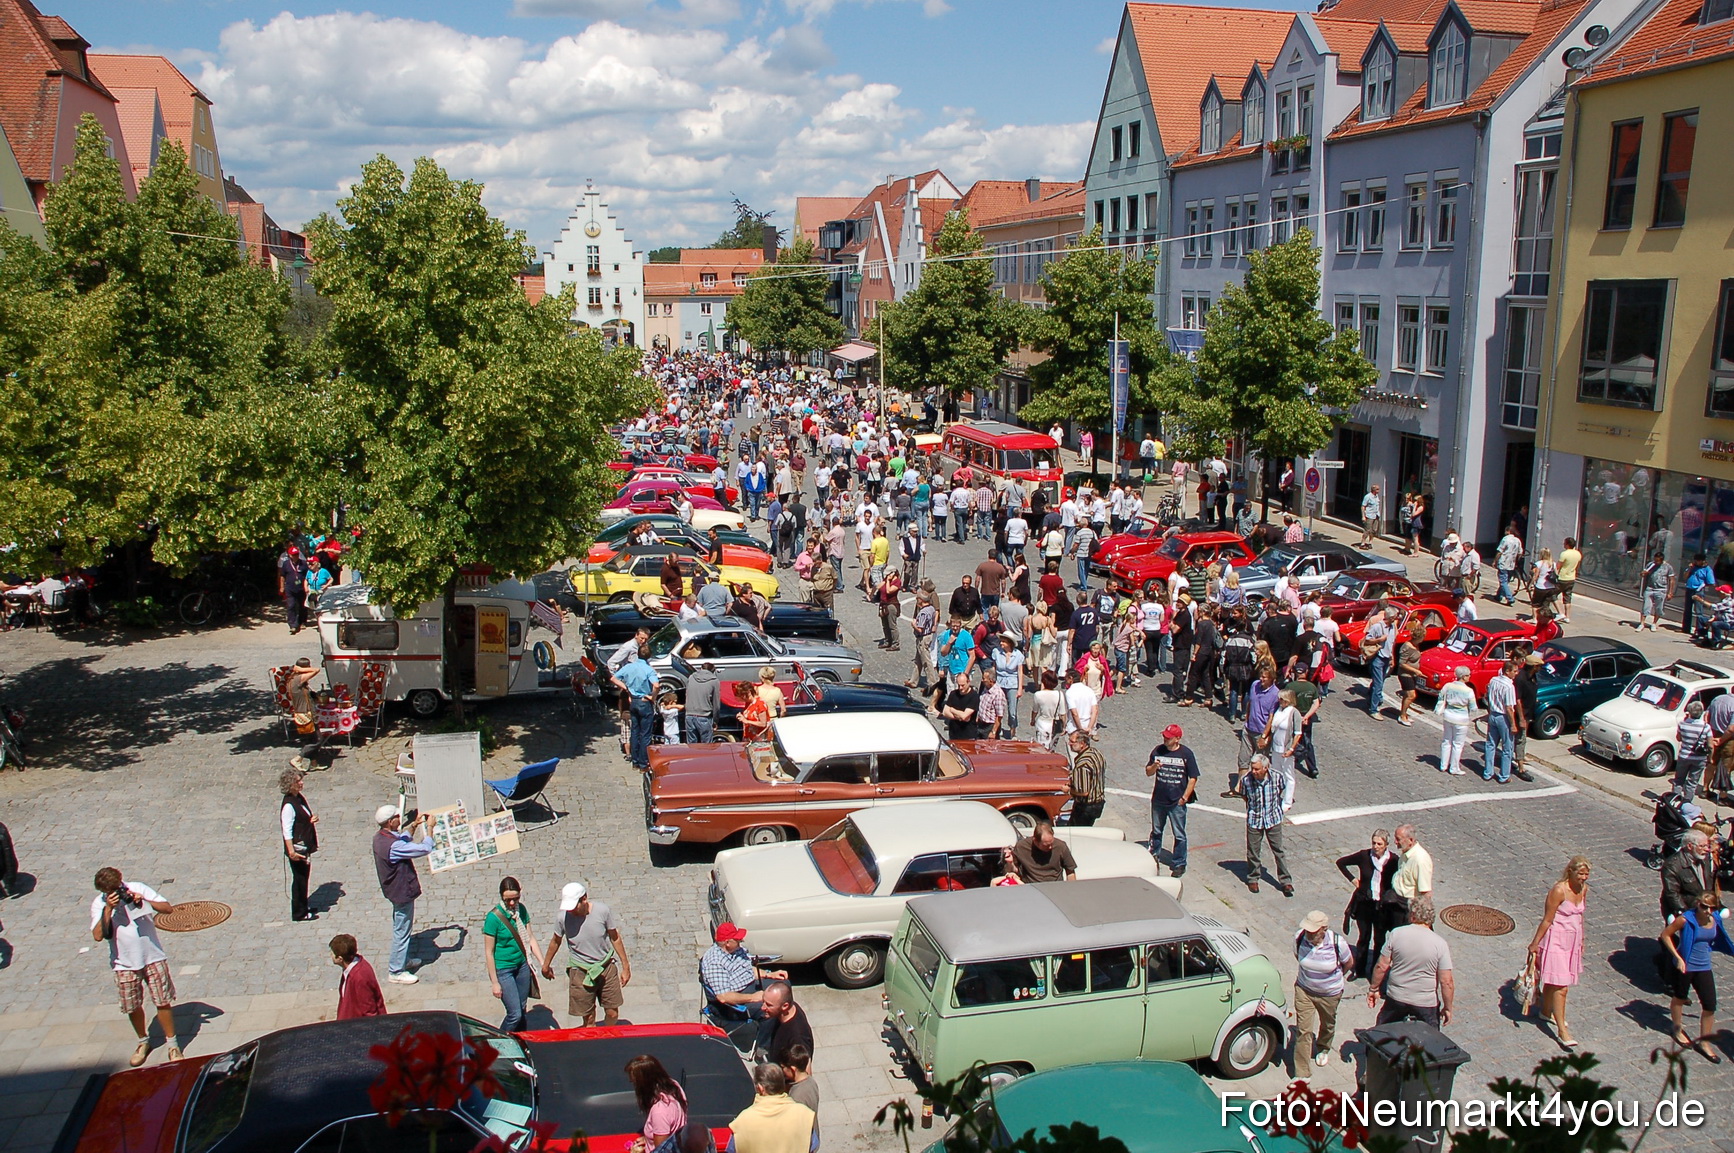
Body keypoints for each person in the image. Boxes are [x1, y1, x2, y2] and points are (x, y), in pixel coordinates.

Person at [91, 866, 181, 1067]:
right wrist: (108, 909)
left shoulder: (137, 888)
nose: (116, 892)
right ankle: (143, 1041)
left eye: (117, 888)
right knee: (132, 1005)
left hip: (152, 956)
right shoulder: (99, 904)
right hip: (124, 963)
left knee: (162, 1000)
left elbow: (167, 908)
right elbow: (98, 935)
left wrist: (144, 901)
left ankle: (172, 1044)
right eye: (110, 891)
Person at [543, 880, 632, 1027]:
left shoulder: (602, 911)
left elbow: (614, 937)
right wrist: (546, 965)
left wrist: (626, 966)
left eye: (574, 906)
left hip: (606, 967)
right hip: (580, 971)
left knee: (612, 1013)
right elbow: (555, 941)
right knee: (589, 1018)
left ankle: (607, 1036)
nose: (571, 911)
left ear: (584, 898)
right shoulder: (562, 918)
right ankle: (594, 1045)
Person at [1661, 889, 1734, 1061]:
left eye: (1711, 908)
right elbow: (1665, 935)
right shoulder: (1686, 919)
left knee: (1710, 1005)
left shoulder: (1714, 919)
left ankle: (1704, 1042)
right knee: (1679, 998)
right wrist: (1677, 958)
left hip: (1704, 966)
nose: (1707, 911)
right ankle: (1677, 1029)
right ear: (1697, 904)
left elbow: (1720, 937)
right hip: (1686, 966)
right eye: (1704, 907)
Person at [1527, 857, 1590, 1049]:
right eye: (1580, 874)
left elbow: (1580, 917)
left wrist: (1581, 940)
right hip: (1556, 939)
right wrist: (1535, 943)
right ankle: (1562, 1031)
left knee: (1555, 982)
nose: (1583, 878)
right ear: (1570, 871)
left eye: (1586, 874)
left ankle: (1546, 1011)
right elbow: (1547, 919)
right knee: (1562, 987)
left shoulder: (1583, 889)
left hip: (1571, 940)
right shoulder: (1558, 891)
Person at [1368, 896, 1455, 1027]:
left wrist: (1373, 988)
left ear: (1412, 915)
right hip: (1425, 1002)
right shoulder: (1440, 944)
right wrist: (1448, 1007)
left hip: (1396, 997)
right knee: (1430, 1041)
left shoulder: (1396, 934)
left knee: (1383, 1033)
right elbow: (1446, 982)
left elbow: (1381, 966)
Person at [373, 806, 434, 984]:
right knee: (402, 930)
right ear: (390, 822)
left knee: (402, 926)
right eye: (397, 817)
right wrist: (430, 829)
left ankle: (402, 960)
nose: (400, 818)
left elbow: (403, 839)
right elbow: (424, 849)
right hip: (401, 891)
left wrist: (414, 825)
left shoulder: (380, 838)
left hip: (393, 891)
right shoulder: (393, 846)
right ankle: (396, 970)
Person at [1293, 909, 1354, 1079]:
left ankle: (1323, 1047)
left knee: (1327, 1023)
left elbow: (1348, 963)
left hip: (1329, 994)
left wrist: (1334, 979)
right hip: (1304, 990)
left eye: (1312, 932)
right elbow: (1297, 956)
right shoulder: (1299, 938)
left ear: (1323, 930)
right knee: (1303, 1030)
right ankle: (1302, 1074)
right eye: (1307, 930)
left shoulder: (1337, 943)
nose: (1308, 934)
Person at [484, 876, 548, 1033]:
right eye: (507, 900)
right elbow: (489, 952)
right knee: (514, 1014)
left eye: (515, 899)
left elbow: (530, 938)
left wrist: (542, 963)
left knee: (522, 1009)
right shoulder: (493, 918)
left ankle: (521, 1039)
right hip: (504, 969)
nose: (512, 903)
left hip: (522, 966)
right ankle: (498, 1041)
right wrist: (494, 982)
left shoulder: (522, 911)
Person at [1337, 829, 1403, 979]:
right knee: (1363, 938)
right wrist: (1353, 880)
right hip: (1365, 905)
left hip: (1383, 907)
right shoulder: (1364, 856)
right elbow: (1341, 862)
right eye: (1374, 843)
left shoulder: (1393, 861)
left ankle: (1374, 971)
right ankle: (1359, 970)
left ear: (1386, 845)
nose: (1376, 846)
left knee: (1380, 939)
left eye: (1379, 843)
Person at [701, 922, 789, 1027]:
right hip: (735, 1002)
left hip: (750, 985)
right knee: (769, 1012)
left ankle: (786, 1026)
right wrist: (753, 997)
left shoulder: (736, 949)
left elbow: (747, 969)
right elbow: (724, 996)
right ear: (728, 942)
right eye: (737, 940)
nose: (740, 941)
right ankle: (764, 1043)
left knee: (783, 986)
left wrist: (768, 974)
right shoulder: (715, 962)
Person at [1146, 724, 1200, 877]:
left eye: (1168, 738)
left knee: (1179, 834)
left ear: (1177, 739)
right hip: (1159, 799)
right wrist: (1154, 766)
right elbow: (1148, 772)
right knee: (1156, 830)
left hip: (1176, 801)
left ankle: (1179, 863)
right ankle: (1154, 855)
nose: (1165, 739)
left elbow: (1193, 778)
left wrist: (1185, 797)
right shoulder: (1158, 751)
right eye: (1164, 736)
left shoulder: (1186, 754)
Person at [727, 1064, 819, 1153]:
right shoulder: (803, 1114)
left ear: (760, 1088)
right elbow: (812, 1145)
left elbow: (732, 1149)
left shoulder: (743, 1121)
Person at [1236, 754, 1293, 896]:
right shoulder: (1247, 780)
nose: (1254, 772)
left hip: (1273, 819)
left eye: (1257, 769)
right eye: (1252, 768)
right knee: (1253, 851)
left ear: (1266, 768)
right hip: (1255, 820)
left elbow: (1280, 791)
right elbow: (1245, 796)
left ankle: (1285, 881)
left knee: (1278, 851)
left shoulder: (1277, 777)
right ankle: (1253, 878)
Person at [627, 1054, 693, 1153]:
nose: (634, 1085)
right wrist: (650, 1139)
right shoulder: (674, 1087)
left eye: (635, 1082)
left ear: (644, 1082)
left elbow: (661, 1151)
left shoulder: (659, 1111)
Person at [280, 767, 320, 922]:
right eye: (298, 781)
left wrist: (310, 820)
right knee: (299, 879)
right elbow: (287, 830)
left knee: (304, 877)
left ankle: (304, 905)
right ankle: (299, 912)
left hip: (304, 844)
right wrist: (291, 851)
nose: (301, 783)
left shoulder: (298, 798)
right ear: (291, 785)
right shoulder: (289, 805)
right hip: (298, 848)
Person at [614, 648, 663, 771]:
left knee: (635, 731)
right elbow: (656, 685)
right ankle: (643, 763)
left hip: (633, 701)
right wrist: (653, 697)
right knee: (645, 734)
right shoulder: (648, 669)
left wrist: (627, 689)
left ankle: (635, 761)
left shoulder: (629, 667)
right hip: (644, 701)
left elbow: (614, 678)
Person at [1662, 829, 1716, 920]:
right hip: (1684, 910)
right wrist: (1687, 914)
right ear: (1690, 846)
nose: (1707, 849)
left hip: (1703, 908)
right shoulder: (1672, 865)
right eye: (1702, 846)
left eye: (1707, 845)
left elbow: (1709, 885)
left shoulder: (1704, 858)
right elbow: (1672, 893)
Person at [331, 933, 387, 1019]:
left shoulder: (359, 978)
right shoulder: (354, 969)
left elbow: (369, 1011)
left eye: (332, 953)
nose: (330, 955)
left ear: (340, 959)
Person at [760, 980, 814, 1066]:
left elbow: (804, 1070)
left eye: (769, 1005)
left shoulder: (797, 1037)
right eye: (763, 1002)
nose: (763, 1008)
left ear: (785, 1006)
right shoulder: (784, 1011)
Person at [1435, 666, 1476, 776]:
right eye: (1468, 675)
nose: (1469, 677)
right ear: (1463, 677)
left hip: (1448, 716)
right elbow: (1473, 707)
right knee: (1457, 744)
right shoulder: (1469, 691)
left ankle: (1443, 765)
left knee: (1446, 741)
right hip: (1461, 719)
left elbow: (1440, 696)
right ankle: (1454, 768)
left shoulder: (1448, 686)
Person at [1484, 658, 1519, 783]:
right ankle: (1504, 775)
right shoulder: (1509, 686)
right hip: (1503, 717)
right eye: (1514, 671)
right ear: (1507, 671)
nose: (1516, 673)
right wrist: (1513, 724)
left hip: (1493, 714)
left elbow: (1488, 696)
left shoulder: (1493, 680)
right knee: (1507, 747)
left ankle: (1488, 772)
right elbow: (1509, 708)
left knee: (1490, 744)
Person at [1011, 821, 1078, 882]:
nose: (1050, 847)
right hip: (1032, 888)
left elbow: (1070, 871)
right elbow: (1014, 870)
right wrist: (1010, 863)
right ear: (1035, 841)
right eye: (1046, 845)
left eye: (1051, 843)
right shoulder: (1021, 847)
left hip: (1055, 886)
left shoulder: (1060, 846)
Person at [1065, 730, 1106, 826]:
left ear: (1082, 744)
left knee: (1076, 833)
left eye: (1072, 742)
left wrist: (1069, 790)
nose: (1069, 744)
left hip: (1086, 807)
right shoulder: (1096, 753)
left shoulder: (1083, 764)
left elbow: (1084, 792)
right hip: (1098, 802)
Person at [1392, 824, 1434, 915]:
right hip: (1398, 903)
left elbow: (1425, 894)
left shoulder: (1420, 860)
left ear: (1410, 840)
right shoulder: (1406, 852)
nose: (1395, 842)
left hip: (1408, 908)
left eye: (1398, 839)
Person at [685, 660, 721, 743]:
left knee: (691, 746)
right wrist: (715, 720)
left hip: (689, 715)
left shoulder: (691, 677)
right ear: (713, 671)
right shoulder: (714, 681)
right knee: (706, 747)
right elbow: (716, 703)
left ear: (700, 668)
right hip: (704, 716)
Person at [1640, 549, 1676, 632]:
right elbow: (1643, 573)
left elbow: (1671, 579)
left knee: (1658, 608)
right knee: (1646, 606)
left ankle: (1654, 623)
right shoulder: (1651, 565)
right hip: (1650, 588)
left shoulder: (1668, 567)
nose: (1656, 562)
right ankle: (1642, 623)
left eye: (1658, 561)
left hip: (1661, 589)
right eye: (1655, 560)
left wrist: (1670, 592)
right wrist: (1644, 573)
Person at [781, 1044, 821, 1115]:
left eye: (783, 1067)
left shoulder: (797, 1097)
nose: (782, 1070)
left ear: (793, 1069)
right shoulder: (811, 1081)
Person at [278, 541, 308, 633]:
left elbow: (308, 575)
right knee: (291, 606)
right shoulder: (286, 564)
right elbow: (282, 575)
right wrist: (282, 587)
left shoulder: (303, 563)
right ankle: (293, 625)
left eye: (296, 554)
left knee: (302, 606)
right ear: (290, 555)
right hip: (290, 588)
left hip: (301, 588)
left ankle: (302, 621)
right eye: (293, 555)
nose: (295, 556)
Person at [941, 672, 980, 740]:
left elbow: (964, 716)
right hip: (953, 734)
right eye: (958, 685)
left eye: (963, 685)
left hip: (968, 736)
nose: (960, 688)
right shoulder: (953, 694)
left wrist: (952, 710)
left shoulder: (974, 696)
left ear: (968, 682)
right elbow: (945, 712)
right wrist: (959, 717)